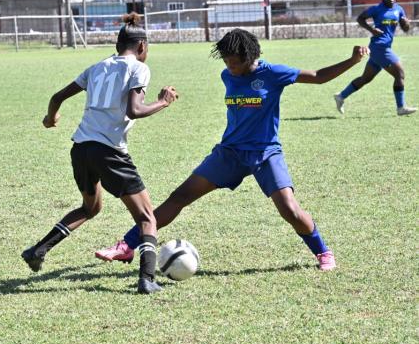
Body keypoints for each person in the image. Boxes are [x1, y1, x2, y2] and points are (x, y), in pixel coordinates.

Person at [96, 28, 370, 272]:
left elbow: (319, 77)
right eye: (226, 61)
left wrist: (353, 61)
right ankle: (128, 245)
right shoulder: (227, 75)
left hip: (264, 152)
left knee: (289, 209)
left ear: (250, 57)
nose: (230, 67)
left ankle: (323, 251)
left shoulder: (273, 74)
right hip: (229, 153)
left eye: (235, 62)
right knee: (179, 197)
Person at [21, 13, 179, 294]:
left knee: (90, 208)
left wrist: (50, 118)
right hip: (109, 153)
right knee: (146, 218)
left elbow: (57, 97)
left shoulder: (96, 67)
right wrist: (163, 102)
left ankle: (37, 250)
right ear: (142, 46)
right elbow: (135, 110)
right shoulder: (139, 68)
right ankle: (147, 279)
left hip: (81, 149)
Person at [334, 0, 416, 116]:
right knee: (400, 74)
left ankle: (340, 96)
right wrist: (371, 30)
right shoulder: (377, 9)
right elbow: (360, 18)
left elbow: (405, 28)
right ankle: (401, 108)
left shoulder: (399, 10)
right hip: (379, 47)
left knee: (365, 78)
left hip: (383, 48)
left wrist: (406, 24)